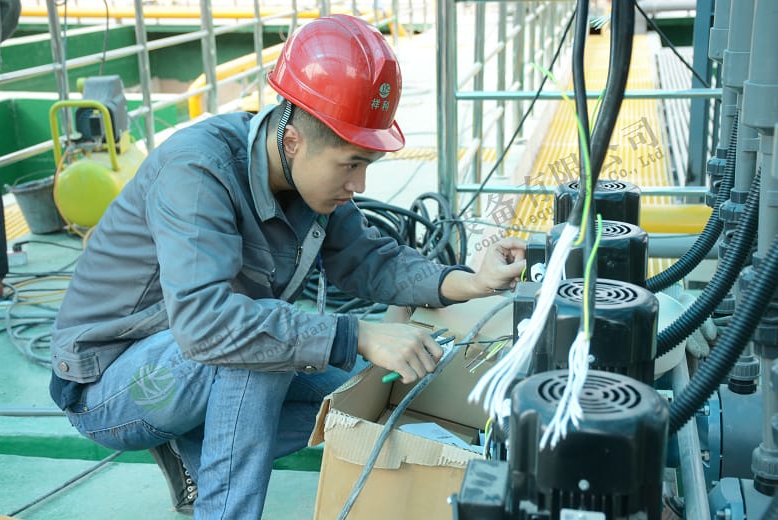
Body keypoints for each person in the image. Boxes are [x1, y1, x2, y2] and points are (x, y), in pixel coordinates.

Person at [49, 14, 526, 519]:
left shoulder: (304, 178)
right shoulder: (197, 170)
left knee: (357, 397)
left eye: (367, 164)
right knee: (269, 350)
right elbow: (207, 323)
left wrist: (471, 281)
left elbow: (368, 259)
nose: (359, 185)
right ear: (294, 140)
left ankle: (194, 450)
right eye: (350, 163)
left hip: (195, 361)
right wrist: (356, 332)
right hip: (109, 386)